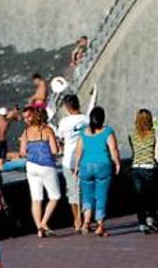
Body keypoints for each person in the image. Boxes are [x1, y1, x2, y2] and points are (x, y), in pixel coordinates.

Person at [74, 106, 120, 236]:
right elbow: (113, 150)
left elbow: (78, 151)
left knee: (87, 196)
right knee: (101, 196)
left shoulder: (83, 132)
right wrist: (117, 163)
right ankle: (100, 225)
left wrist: (77, 166)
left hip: (86, 166)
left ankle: (86, 222)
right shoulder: (107, 131)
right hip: (103, 166)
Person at [20, 107, 60, 237]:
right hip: (46, 165)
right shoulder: (47, 130)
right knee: (55, 196)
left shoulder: (26, 132)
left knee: (36, 198)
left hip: (31, 166)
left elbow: (22, 152)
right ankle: (43, 224)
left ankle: (39, 228)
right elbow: (55, 151)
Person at [57, 93, 88, 232]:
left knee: (72, 191)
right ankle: (86, 220)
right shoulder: (86, 119)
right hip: (85, 158)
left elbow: (61, 139)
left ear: (67, 107)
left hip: (69, 159)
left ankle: (77, 220)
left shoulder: (64, 122)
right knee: (85, 190)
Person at [129, 108, 158, 233]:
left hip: (136, 168)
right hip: (150, 168)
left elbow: (133, 151)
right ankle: (151, 219)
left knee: (139, 197)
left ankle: (141, 223)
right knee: (152, 196)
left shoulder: (132, 135)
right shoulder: (154, 133)